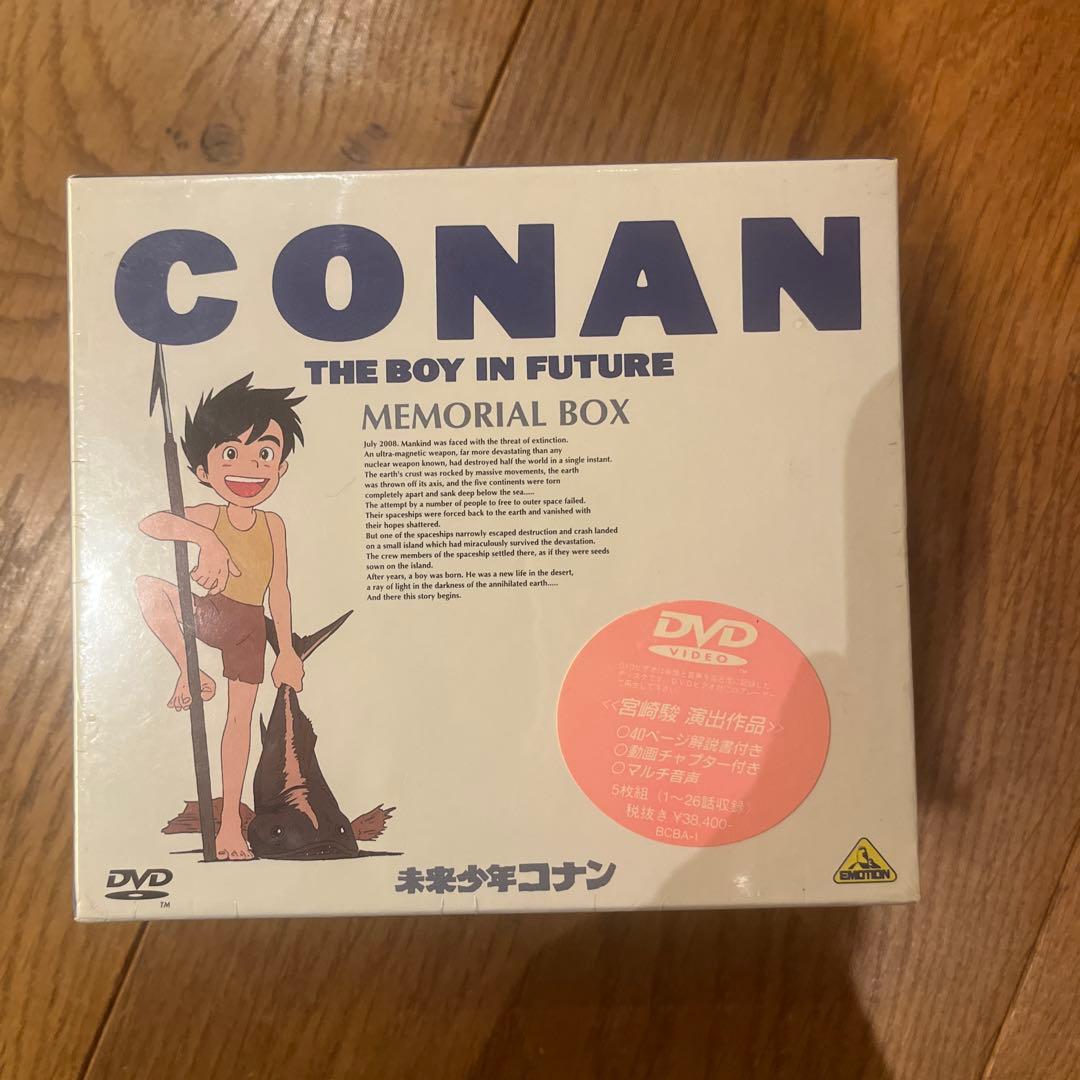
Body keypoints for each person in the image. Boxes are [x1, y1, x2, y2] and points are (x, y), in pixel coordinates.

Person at [136, 373, 306, 860]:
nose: (250, 467)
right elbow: (152, 522)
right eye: (231, 453)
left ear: (281, 467)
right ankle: (188, 669)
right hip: (210, 612)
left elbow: (279, 591)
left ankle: (231, 822)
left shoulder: (273, 525)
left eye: (264, 454)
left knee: (238, 723)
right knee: (148, 588)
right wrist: (205, 539)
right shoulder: (211, 514)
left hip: (249, 627)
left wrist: (288, 652)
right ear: (203, 469)